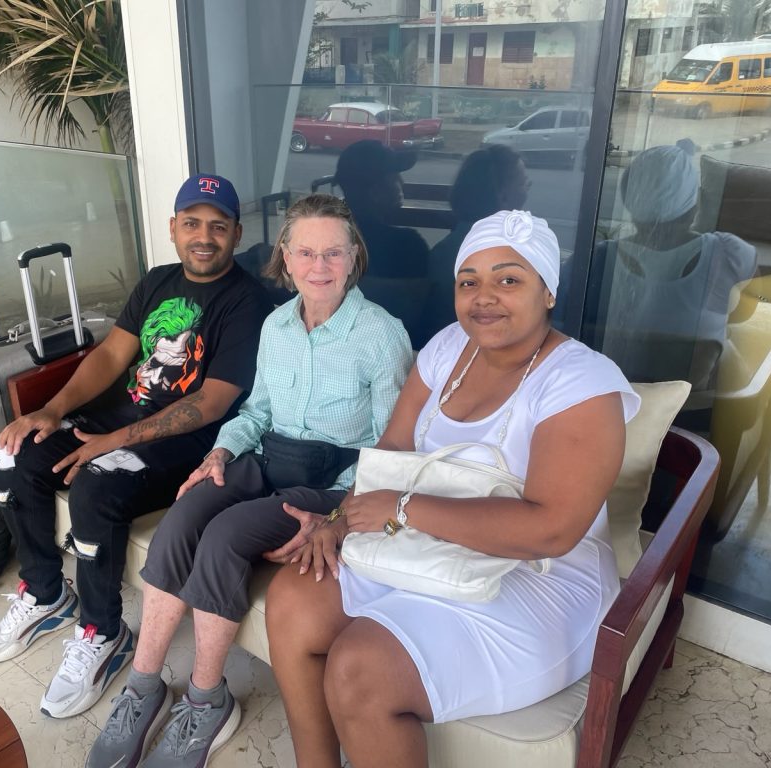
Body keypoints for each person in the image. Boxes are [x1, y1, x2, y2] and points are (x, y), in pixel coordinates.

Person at [265, 210, 642, 768]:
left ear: (548, 292)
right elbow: (393, 448)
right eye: (469, 281)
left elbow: (552, 530)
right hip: (427, 542)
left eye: (508, 279)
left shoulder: (580, 383)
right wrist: (339, 521)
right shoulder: (447, 349)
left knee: (361, 668)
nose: (484, 297)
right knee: (294, 597)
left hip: (539, 579)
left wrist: (401, 509)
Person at [85, 194, 412, 768]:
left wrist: (339, 516)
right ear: (285, 257)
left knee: (225, 534)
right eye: (305, 252)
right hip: (264, 457)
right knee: (185, 514)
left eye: (333, 253)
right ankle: (143, 687)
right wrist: (220, 452)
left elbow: (391, 448)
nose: (318, 266)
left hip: (331, 478)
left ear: (354, 256)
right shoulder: (277, 325)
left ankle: (206, 700)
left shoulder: (381, 335)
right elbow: (256, 411)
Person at [0, 174, 273, 720]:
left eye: (218, 226)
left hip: (186, 442)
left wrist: (110, 443)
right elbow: (111, 356)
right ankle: (44, 593)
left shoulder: (247, 302)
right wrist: (52, 410)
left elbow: (210, 403)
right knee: (14, 453)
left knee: (97, 483)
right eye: (192, 223)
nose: (203, 237)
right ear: (173, 228)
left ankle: (102, 632)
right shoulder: (158, 281)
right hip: (116, 418)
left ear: (236, 233)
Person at [582, 142, 756, 428]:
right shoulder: (729, 255)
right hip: (692, 416)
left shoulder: (596, 260)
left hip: (609, 410)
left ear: (629, 202)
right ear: (695, 204)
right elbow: (746, 313)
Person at [422, 144, 531, 342]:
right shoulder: (508, 254)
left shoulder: (444, 251)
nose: (527, 192)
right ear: (503, 196)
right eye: (524, 184)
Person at [335, 139, 431, 347]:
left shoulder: (327, 243)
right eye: (394, 176)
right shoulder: (408, 247)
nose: (401, 182)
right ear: (375, 192)